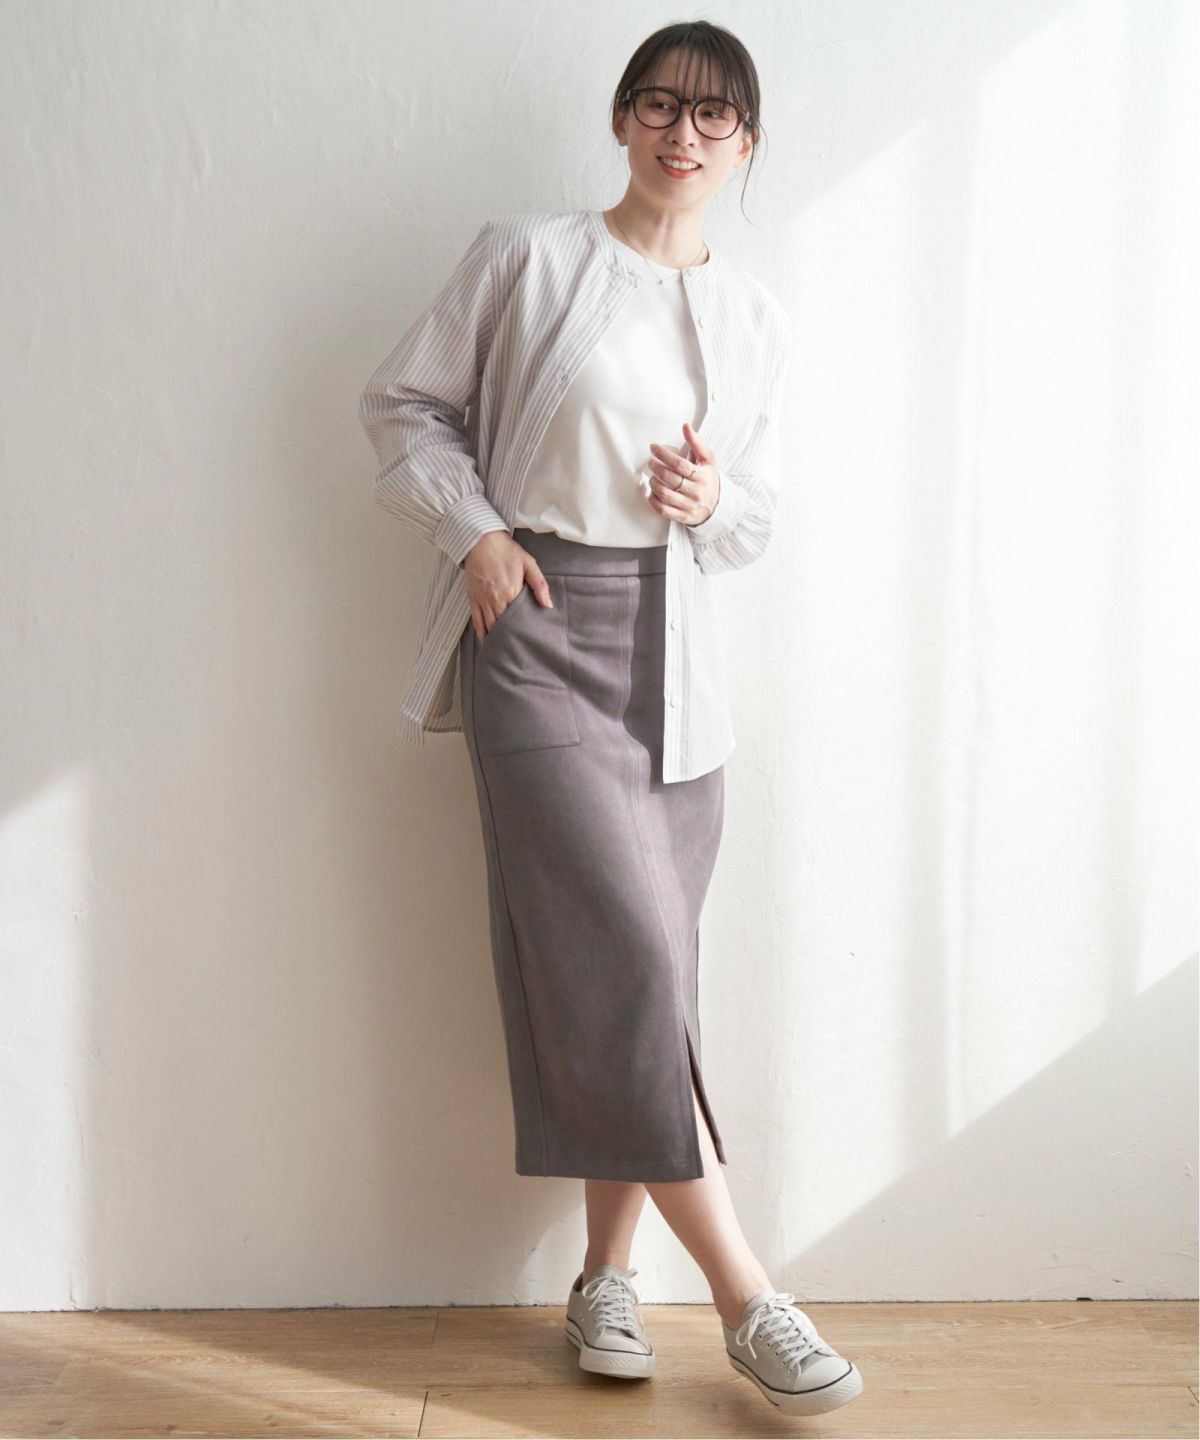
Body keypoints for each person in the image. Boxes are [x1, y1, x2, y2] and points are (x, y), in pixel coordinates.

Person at [358, 19, 862, 1421]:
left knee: (642, 978)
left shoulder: (755, 322)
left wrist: (713, 501)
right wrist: (474, 533)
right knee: (625, 961)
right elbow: (400, 405)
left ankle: (605, 1279)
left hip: (676, 660)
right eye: (657, 105)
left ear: (746, 145)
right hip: (535, 629)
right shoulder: (530, 259)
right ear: (622, 120)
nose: (681, 134)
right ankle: (750, 1300)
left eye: (713, 115)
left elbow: (751, 521)